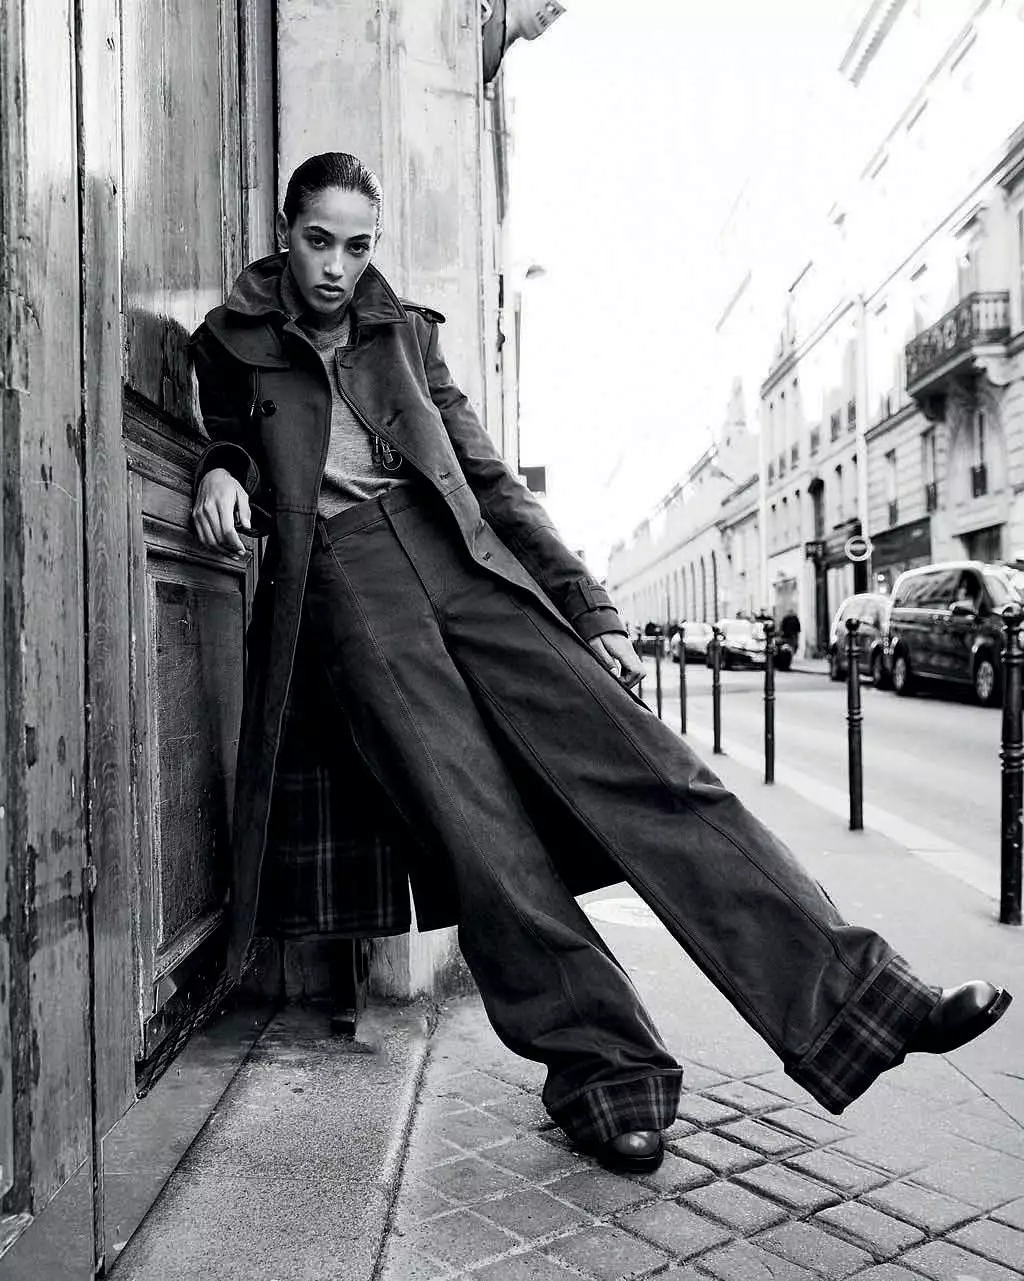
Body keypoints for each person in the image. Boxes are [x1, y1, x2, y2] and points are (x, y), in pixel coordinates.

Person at [190, 152, 1011, 1175]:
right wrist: (220, 471)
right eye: (319, 241)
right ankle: (605, 1075)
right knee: (481, 843)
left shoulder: (404, 333)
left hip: (468, 564)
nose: (337, 267)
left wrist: (590, 605)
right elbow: (228, 439)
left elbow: (489, 478)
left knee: (658, 776)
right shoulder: (231, 340)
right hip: (349, 588)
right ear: (285, 230)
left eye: (359, 247)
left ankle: (866, 1001)